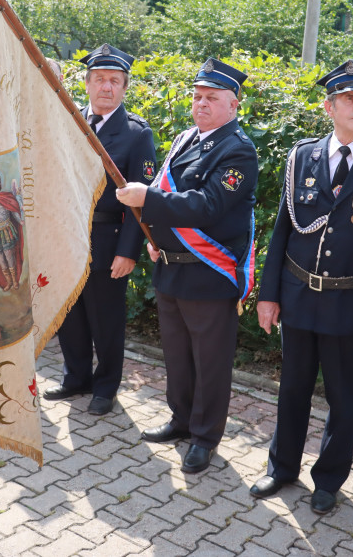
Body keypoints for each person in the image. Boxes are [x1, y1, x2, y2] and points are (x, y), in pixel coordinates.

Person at [251, 60, 353, 514]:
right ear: (329, 106)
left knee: (342, 398)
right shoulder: (302, 155)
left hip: (351, 302)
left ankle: (328, 480)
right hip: (299, 295)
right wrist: (268, 293)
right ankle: (282, 468)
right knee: (293, 389)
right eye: (350, 100)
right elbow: (283, 230)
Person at [117, 58, 258, 474]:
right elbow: (170, 196)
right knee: (177, 356)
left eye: (212, 98)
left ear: (233, 105)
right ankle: (181, 420)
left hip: (208, 275)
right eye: (197, 96)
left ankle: (204, 436)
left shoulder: (239, 150)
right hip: (173, 269)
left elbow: (207, 206)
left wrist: (147, 199)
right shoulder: (185, 138)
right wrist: (157, 240)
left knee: (210, 361)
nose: (201, 104)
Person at [46, 45, 157, 416]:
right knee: (70, 313)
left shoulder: (137, 134)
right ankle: (76, 376)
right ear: (87, 83)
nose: (106, 87)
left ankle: (106, 385)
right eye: (99, 79)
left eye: (114, 81)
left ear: (124, 88)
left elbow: (140, 202)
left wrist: (128, 251)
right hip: (67, 236)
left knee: (105, 318)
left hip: (108, 240)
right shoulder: (71, 120)